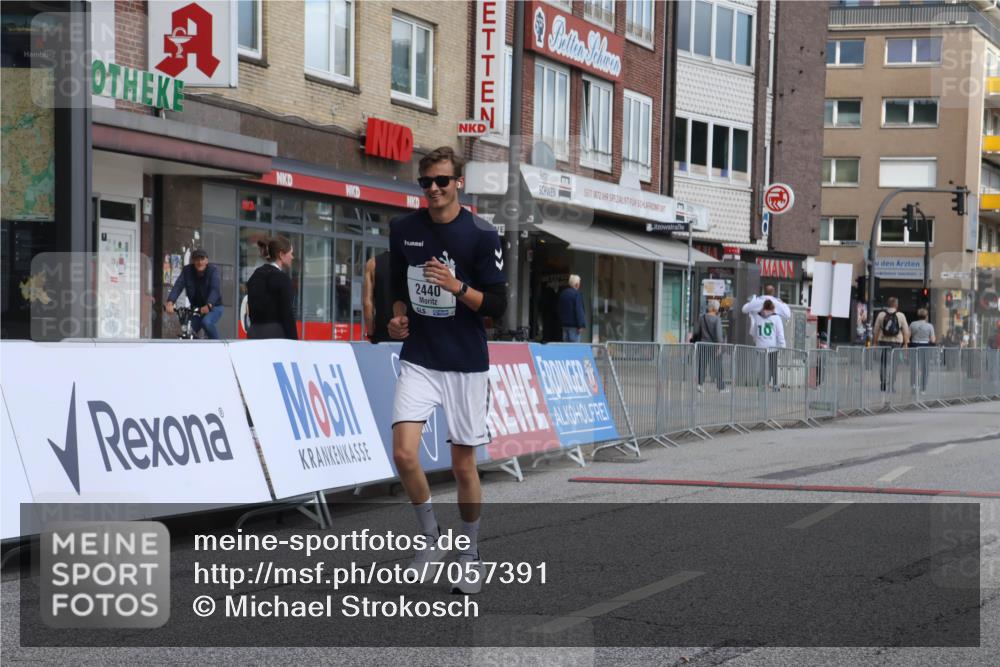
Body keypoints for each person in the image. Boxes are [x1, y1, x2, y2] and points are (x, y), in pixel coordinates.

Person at [388, 146, 507, 595]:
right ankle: (431, 539)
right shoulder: (404, 229)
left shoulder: (480, 234)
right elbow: (397, 289)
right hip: (420, 357)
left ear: (459, 183)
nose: (433, 189)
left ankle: (471, 553)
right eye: (426, 183)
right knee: (403, 454)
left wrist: (456, 286)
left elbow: (497, 305)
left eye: (441, 181)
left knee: (462, 467)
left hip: (465, 363)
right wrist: (397, 318)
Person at [245, 237, 297, 340]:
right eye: (290, 253)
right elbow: (287, 315)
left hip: (253, 333)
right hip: (275, 336)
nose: (292, 257)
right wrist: (294, 341)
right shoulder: (283, 279)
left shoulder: (255, 276)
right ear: (281, 255)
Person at [165, 249, 223, 339]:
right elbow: (178, 285)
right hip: (197, 309)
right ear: (193, 261)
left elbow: (214, 289)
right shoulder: (187, 271)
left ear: (207, 260)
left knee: (206, 322)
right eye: (196, 259)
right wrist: (170, 302)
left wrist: (209, 305)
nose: (199, 262)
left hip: (214, 307)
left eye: (202, 259)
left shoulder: (213, 271)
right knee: (188, 329)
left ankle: (217, 346)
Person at [744, 298, 786, 390]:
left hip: (760, 346)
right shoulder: (776, 318)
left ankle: (762, 384)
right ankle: (774, 384)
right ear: (772, 308)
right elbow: (780, 334)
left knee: (762, 366)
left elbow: (754, 332)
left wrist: (756, 341)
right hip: (772, 346)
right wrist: (783, 346)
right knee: (773, 365)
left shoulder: (758, 317)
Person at [872, 297, 909, 392]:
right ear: (896, 305)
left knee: (883, 363)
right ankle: (891, 385)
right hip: (896, 343)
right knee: (894, 364)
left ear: (888, 304)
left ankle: (883, 383)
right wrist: (905, 344)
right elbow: (905, 331)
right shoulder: (901, 315)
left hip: (883, 342)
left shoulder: (881, 315)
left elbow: (876, 330)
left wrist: (875, 343)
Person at [692, 300, 726, 392]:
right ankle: (721, 387)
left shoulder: (701, 318)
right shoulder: (717, 319)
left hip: (702, 344)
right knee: (717, 366)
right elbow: (719, 335)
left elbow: (696, 331)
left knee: (702, 365)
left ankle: (700, 384)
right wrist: (720, 346)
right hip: (714, 346)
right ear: (716, 308)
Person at [363, 251, 393, 343]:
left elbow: (367, 303)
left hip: (382, 334)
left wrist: (371, 333)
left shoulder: (373, 263)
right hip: (410, 336)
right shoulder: (414, 262)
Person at [908, 308, 935, 393]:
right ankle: (923, 388)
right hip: (925, 346)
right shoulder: (930, 326)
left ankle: (913, 386)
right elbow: (933, 339)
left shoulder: (912, 324)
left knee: (914, 367)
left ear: (918, 315)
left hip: (914, 345)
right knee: (925, 368)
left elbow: (908, 336)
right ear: (926, 316)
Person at [557, 274, 586, 342]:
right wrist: (581, 325)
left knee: (566, 348)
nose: (579, 284)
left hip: (564, 325)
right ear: (576, 284)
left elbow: (559, 309)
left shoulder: (563, 293)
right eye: (579, 283)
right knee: (574, 349)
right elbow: (579, 310)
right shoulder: (576, 294)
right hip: (574, 327)